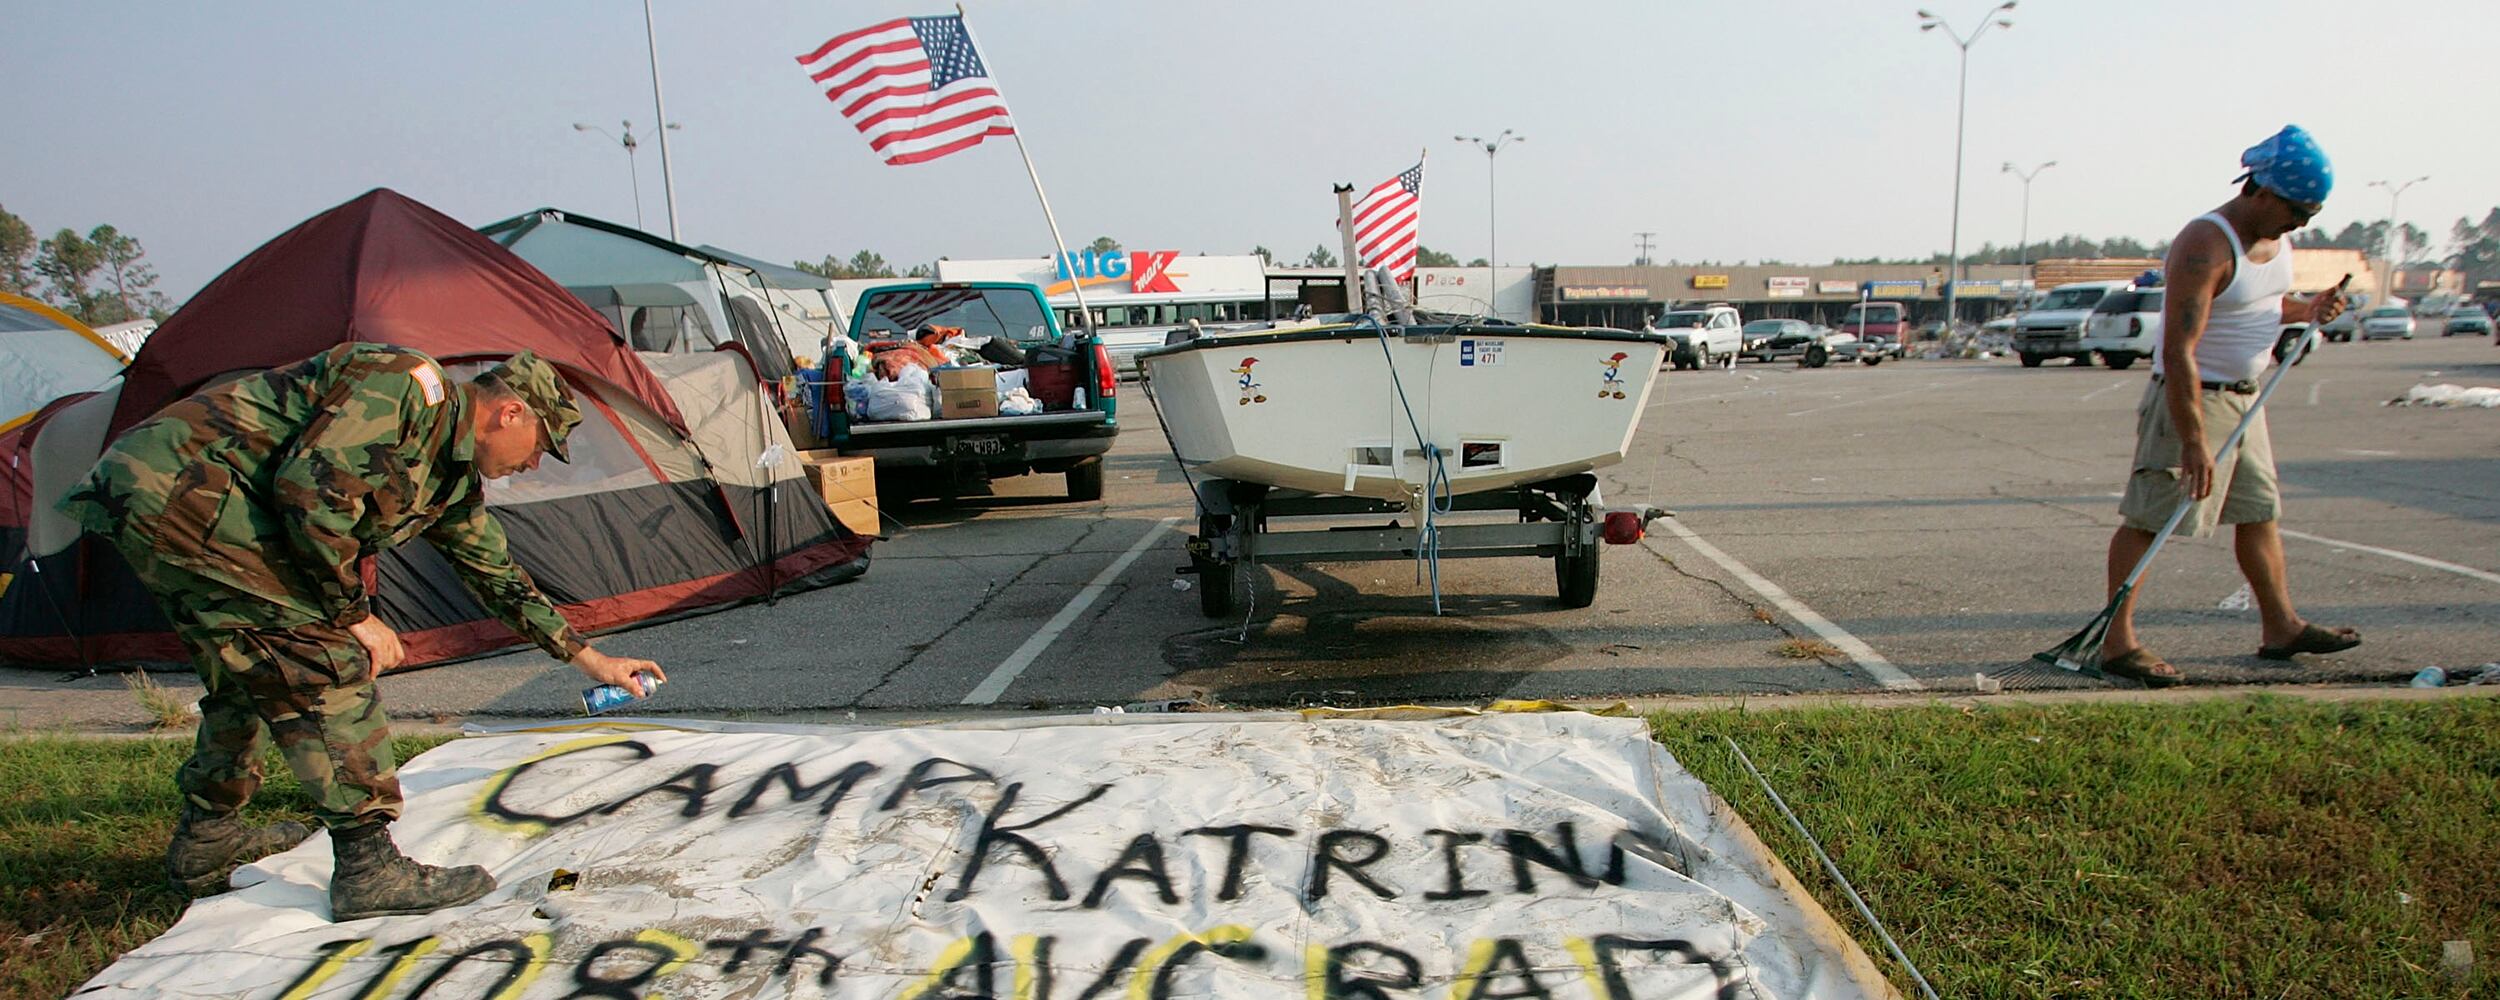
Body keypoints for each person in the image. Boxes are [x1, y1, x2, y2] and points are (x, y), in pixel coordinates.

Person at [60, 344, 666, 920]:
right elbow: (308, 493)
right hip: (189, 489)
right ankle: (366, 868)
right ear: (510, 412)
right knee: (327, 668)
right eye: (540, 447)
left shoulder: (451, 479)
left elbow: (497, 575)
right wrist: (354, 617)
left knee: (252, 672)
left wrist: (590, 658)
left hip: (194, 506)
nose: (532, 464)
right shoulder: (404, 386)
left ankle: (207, 840)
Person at [2097, 124, 2358, 687]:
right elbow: (2178, 348)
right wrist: (2193, 440)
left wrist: (2308, 308)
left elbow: (2257, 304)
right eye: (2296, 210)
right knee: (2154, 516)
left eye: (2311, 213)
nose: (2302, 224)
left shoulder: (2277, 238)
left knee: (2260, 513)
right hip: (2193, 401)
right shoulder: (2205, 244)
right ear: (2261, 191)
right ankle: (2115, 643)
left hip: (2247, 400)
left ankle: (2280, 626)